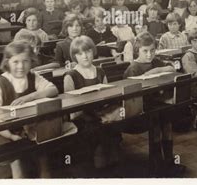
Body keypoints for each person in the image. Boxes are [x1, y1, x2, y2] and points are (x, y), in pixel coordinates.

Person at [0, 41, 59, 178]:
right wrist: (11, 136)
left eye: (25, 61)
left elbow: (53, 89)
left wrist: (31, 96)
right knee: (17, 160)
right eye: (16, 62)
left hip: (29, 129)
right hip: (5, 133)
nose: (21, 66)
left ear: (31, 61)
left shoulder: (32, 76)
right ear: (7, 62)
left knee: (44, 153)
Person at [123, 32, 185, 176]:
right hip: (141, 108)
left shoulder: (155, 62)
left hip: (157, 104)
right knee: (156, 123)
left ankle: (169, 161)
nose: (149, 54)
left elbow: (172, 68)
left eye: (152, 50)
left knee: (167, 123)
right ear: (137, 50)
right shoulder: (134, 68)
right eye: (145, 51)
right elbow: (132, 95)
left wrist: (155, 70)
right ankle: (157, 164)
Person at [63, 36, 120, 168]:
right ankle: (95, 161)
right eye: (80, 53)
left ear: (93, 51)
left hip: (102, 113)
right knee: (94, 129)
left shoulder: (100, 71)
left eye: (88, 51)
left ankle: (111, 160)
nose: (85, 56)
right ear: (74, 56)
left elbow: (108, 96)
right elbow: (72, 109)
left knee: (114, 122)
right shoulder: (71, 76)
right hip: (82, 117)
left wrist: (106, 113)